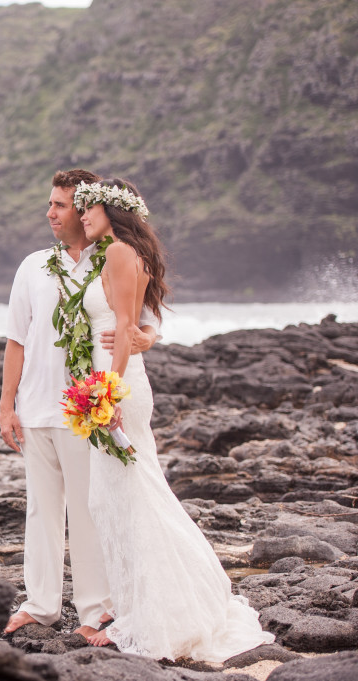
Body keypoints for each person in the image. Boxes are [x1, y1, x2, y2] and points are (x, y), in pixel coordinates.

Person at [75, 177, 274, 661]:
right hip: (117, 380)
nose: (83, 216)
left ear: (112, 211)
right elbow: (137, 324)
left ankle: (153, 617)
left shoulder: (120, 253)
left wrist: (107, 391)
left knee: (129, 497)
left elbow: (124, 328)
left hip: (118, 385)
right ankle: (140, 608)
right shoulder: (115, 253)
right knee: (122, 496)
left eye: (89, 208)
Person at [0, 169, 159, 639]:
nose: (51, 213)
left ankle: (95, 611)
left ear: (89, 209)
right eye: (50, 204)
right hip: (34, 407)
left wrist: (144, 342)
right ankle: (39, 605)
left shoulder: (110, 258)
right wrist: (7, 407)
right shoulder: (31, 266)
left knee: (90, 509)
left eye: (62, 205)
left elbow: (144, 323)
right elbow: (16, 341)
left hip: (85, 407)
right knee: (40, 510)